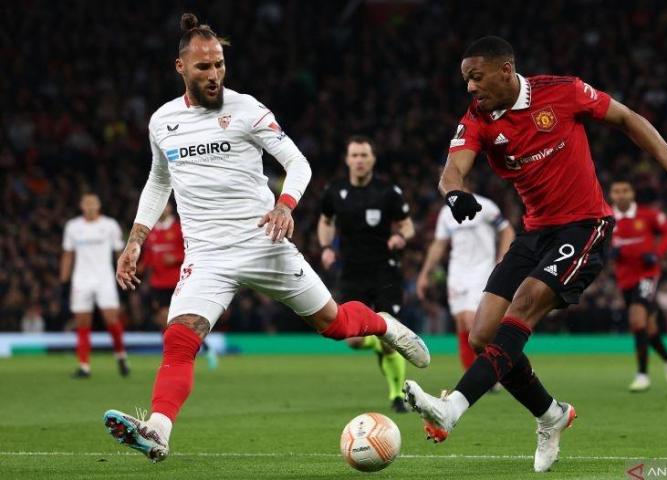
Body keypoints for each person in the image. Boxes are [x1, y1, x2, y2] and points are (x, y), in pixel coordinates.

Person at [103, 13, 429, 463]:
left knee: (333, 325)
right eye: (204, 68)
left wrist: (285, 204)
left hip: (263, 242)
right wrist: (136, 239)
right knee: (180, 338)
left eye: (219, 64)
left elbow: (299, 164)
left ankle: (384, 325)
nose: (215, 75)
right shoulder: (162, 122)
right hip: (207, 256)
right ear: (181, 68)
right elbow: (160, 181)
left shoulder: (247, 109)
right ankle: (157, 430)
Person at [402, 36, 667, 473]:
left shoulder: (563, 91)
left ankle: (453, 408)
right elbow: (452, 170)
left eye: (476, 78)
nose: (470, 89)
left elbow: (627, 119)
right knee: (481, 336)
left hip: (586, 225)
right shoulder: (478, 118)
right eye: (465, 80)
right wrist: (456, 194)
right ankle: (551, 415)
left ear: (504, 69)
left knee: (524, 306)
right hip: (535, 234)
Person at [318, 135, 414, 413]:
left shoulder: (388, 192)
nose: (359, 160)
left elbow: (408, 226)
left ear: (372, 159)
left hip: (385, 270)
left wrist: (400, 238)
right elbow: (325, 222)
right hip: (351, 272)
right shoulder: (334, 191)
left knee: (390, 339)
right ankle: (378, 340)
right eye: (355, 155)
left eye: (364, 155)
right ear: (347, 159)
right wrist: (326, 247)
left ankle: (397, 395)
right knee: (354, 339)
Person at [416, 186, 514, 370]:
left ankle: (494, 370)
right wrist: (424, 274)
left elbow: (507, 230)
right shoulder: (446, 213)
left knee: (472, 320)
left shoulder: (484, 205)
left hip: (482, 270)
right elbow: (439, 244)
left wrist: (502, 259)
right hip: (457, 272)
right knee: (462, 322)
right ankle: (472, 375)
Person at [609, 179, 667, 392]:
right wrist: (605, 251)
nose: (621, 195)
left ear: (632, 193)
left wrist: (657, 254)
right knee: (649, 329)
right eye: (616, 191)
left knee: (636, 318)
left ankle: (642, 375)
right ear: (611, 195)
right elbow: (594, 241)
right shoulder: (606, 218)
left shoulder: (647, 215)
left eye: (625, 190)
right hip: (624, 278)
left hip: (647, 275)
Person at [140, 201, 218, 369]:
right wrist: (140, 267)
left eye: (165, 206)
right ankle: (173, 354)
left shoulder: (179, 228)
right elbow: (149, 255)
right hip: (157, 283)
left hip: (178, 281)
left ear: (169, 208)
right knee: (164, 319)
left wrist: (175, 258)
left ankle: (201, 348)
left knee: (178, 321)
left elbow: (194, 251)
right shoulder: (152, 231)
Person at [60, 192, 129, 378]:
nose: (90, 207)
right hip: (81, 280)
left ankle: (121, 356)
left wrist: (125, 274)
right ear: (81, 206)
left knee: (111, 319)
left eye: (93, 203)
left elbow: (119, 253)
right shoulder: (73, 227)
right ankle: (84, 366)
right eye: (86, 203)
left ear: (98, 206)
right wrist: (63, 281)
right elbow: (68, 254)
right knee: (82, 322)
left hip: (104, 279)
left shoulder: (109, 225)